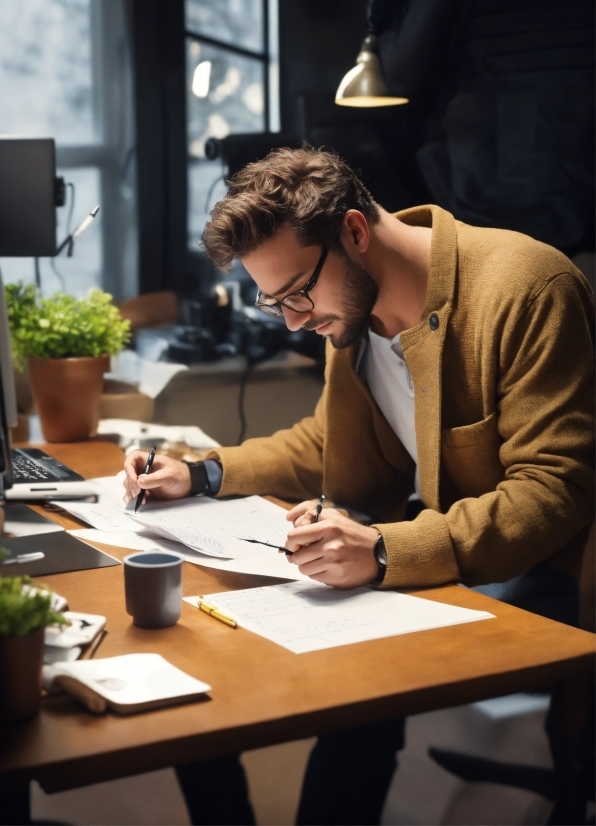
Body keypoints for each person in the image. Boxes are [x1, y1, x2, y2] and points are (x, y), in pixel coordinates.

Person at [123, 147, 594, 824]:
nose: (291, 320)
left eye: (296, 295)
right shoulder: (348, 310)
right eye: (273, 301)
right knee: (336, 678)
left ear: (353, 231)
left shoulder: (526, 287)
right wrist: (201, 473)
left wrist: (381, 550)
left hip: (549, 564)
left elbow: (554, 492)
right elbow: (328, 442)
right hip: (441, 543)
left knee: (363, 655)